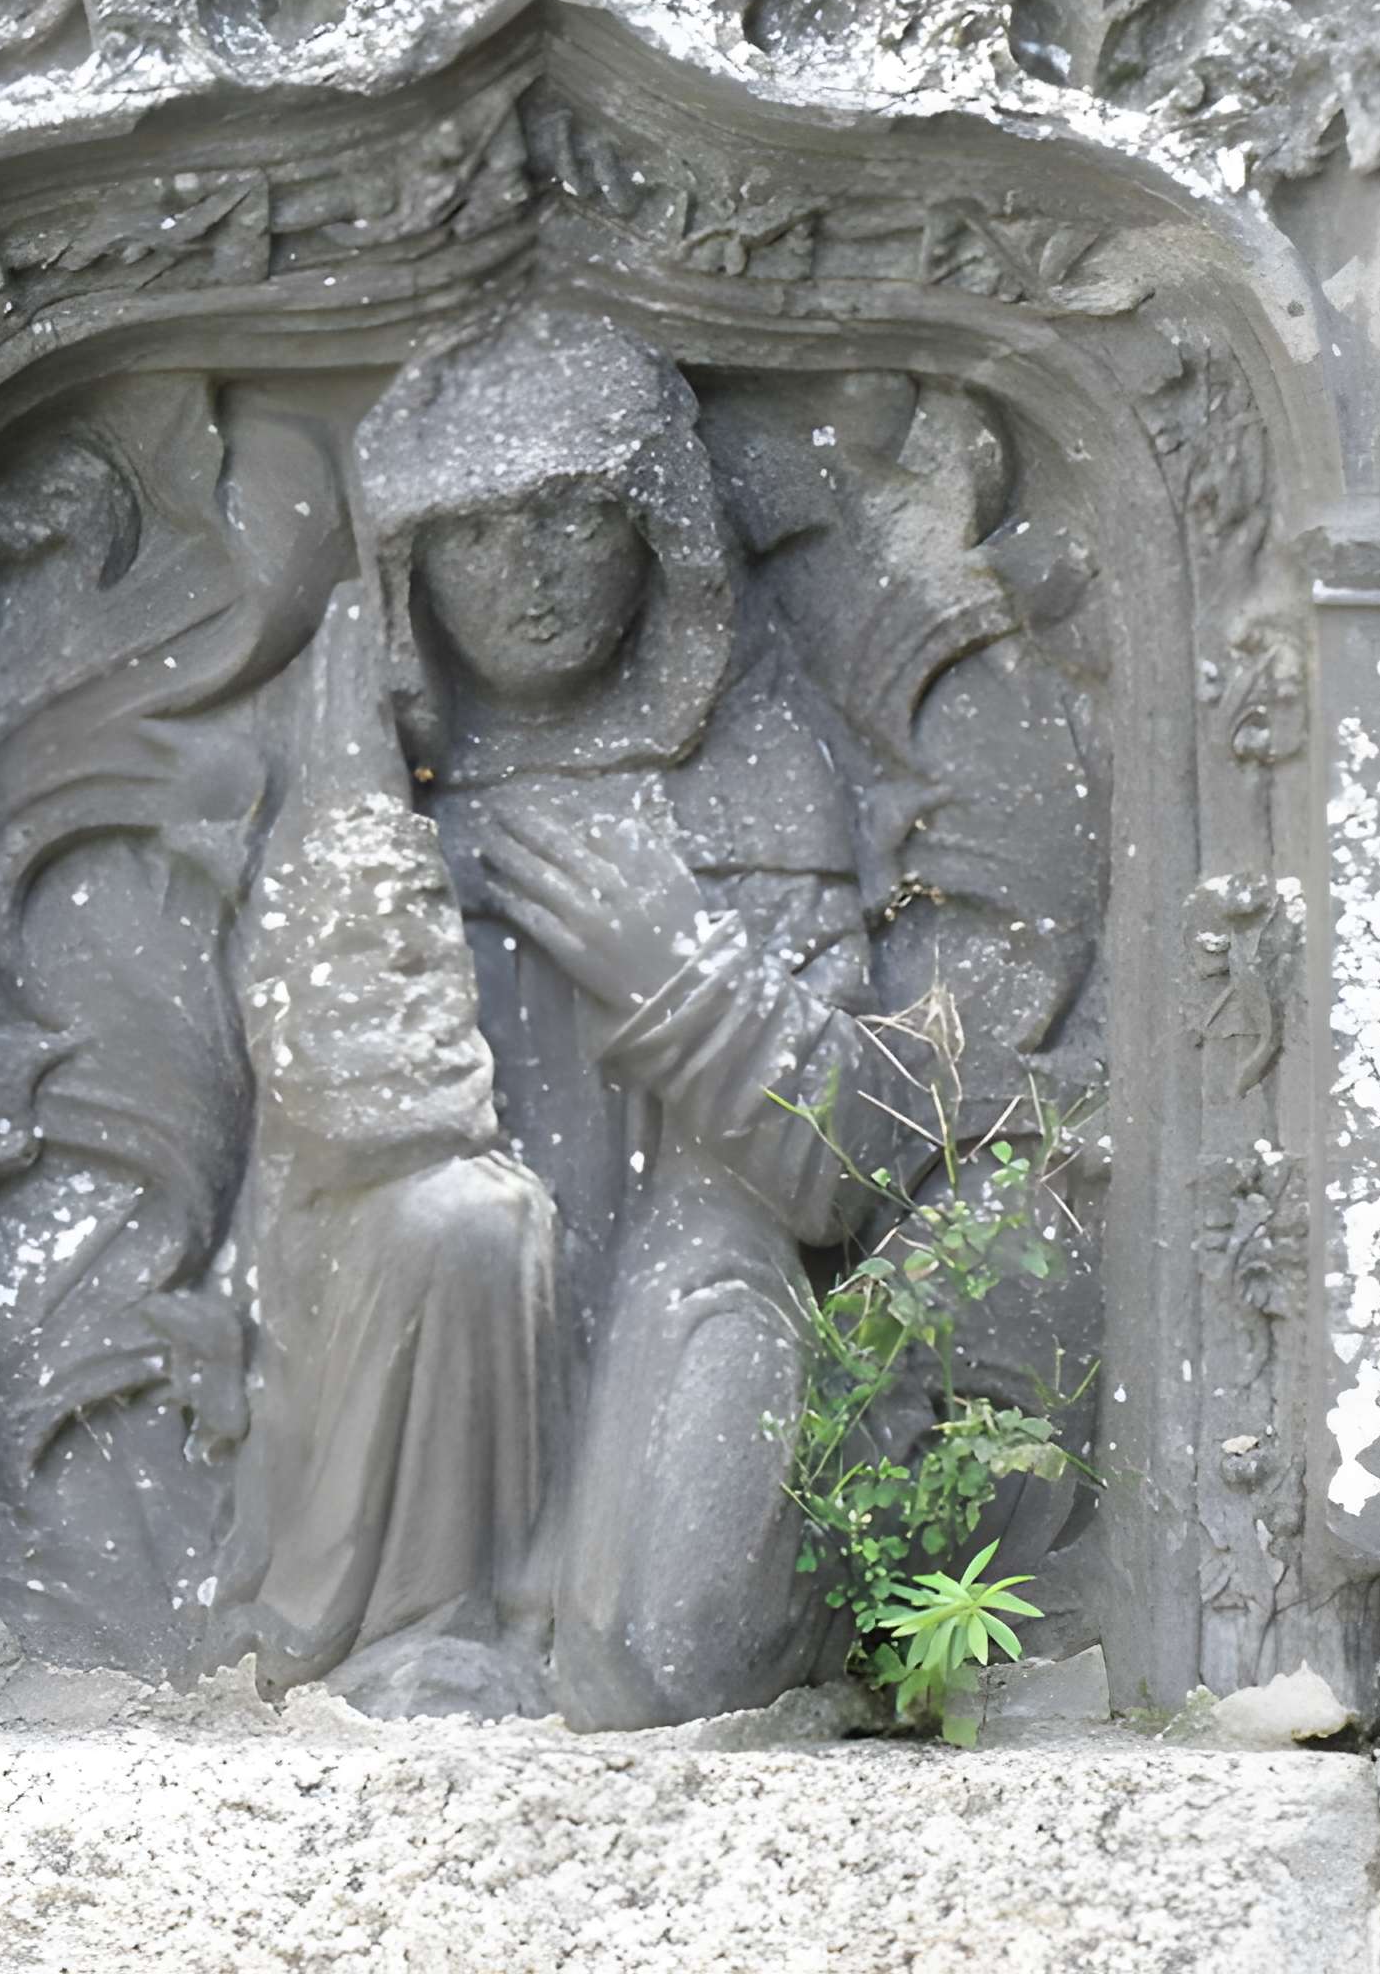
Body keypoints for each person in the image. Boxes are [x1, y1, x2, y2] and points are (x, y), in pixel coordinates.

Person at [354, 308, 920, 1730]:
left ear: (658, 530)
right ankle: (433, 1618)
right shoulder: (375, 792)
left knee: (674, 1660)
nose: (526, 574)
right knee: (443, 1228)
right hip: (447, 1347)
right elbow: (315, 1133)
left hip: (689, 1275)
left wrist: (675, 967)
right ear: (404, 573)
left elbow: (835, 1173)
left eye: (567, 516)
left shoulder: (758, 772)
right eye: (469, 534)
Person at [203, 587, 560, 1713]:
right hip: (338, 1246)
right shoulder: (346, 851)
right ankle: (416, 1614)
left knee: (492, 1218)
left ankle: (491, 1608)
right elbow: (352, 1091)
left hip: (478, 1222)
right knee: (462, 1221)